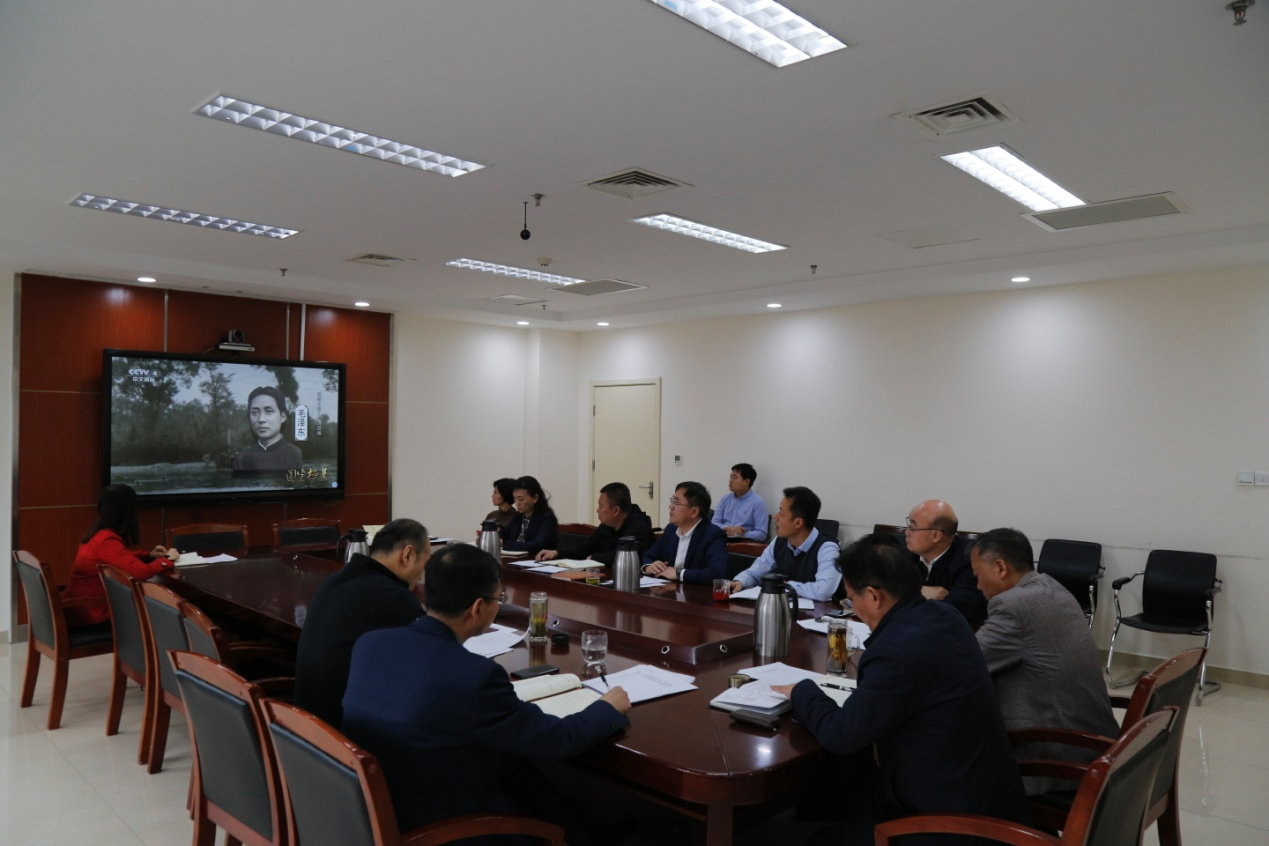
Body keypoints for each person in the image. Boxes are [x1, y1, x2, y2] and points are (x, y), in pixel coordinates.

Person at [341, 544, 632, 844]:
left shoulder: (370, 644)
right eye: (498, 598)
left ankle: (584, 832)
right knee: (513, 761)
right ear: (478, 608)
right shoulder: (475, 676)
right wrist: (607, 708)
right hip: (445, 827)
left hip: (382, 802)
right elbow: (558, 740)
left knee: (511, 762)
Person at [771, 535, 1030, 845]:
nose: (853, 607)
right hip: (987, 793)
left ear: (873, 596)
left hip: (953, 820)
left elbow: (842, 736)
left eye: (851, 599)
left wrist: (802, 691)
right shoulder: (945, 616)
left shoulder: (895, 650)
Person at [971, 528, 1120, 794]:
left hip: (1057, 758)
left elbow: (967, 664)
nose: (978, 585)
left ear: (1001, 568)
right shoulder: (1052, 586)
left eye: (977, 575)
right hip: (1094, 743)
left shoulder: (1012, 605)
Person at [292, 518, 428, 726]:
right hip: (341, 731)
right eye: (425, 563)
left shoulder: (334, 581)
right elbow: (426, 665)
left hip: (303, 723)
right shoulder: (393, 598)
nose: (421, 576)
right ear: (407, 555)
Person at [62, 484, 178, 627]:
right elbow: (141, 573)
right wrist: (166, 559)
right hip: (94, 615)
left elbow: (119, 557)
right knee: (164, 611)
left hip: (81, 610)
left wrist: (148, 555)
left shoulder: (97, 533)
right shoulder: (106, 540)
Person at [730, 486, 840, 600]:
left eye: (781, 514)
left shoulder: (827, 548)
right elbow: (755, 572)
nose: (775, 517)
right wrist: (740, 582)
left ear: (798, 523)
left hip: (818, 611)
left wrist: (787, 587)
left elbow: (824, 591)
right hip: (784, 607)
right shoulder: (779, 541)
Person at [903, 499, 986, 626]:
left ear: (936, 536)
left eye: (912, 528)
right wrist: (919, 590)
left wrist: (904, 596)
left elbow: (950, 613)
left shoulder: (970, 563)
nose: (906, 532)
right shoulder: (908, 553)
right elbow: (881, 590)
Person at [535, 482, 654, 564]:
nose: (597, 510)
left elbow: (626, 556)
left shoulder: (638, 526)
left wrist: (595, 558)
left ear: (616, 511)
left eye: (601, 506)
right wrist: (557, 553)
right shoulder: (607, 525)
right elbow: (586, 548)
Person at [642, 481, 728, 583]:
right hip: (668, 588)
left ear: (694, 512)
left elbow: (717, 573)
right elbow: (648, 556)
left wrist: (678, 574)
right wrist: (650, 566)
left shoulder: (713, 535)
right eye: (672, 501)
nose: (671, 506)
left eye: (677, 502)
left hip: (695, 592)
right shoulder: (671, 529)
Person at [230, 385, 303, 471]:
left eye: (268, 411)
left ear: (282, 417)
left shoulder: (294, 454)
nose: (261, 419)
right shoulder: (242, 458)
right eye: (255, 412)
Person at [500, 475, 559, 554]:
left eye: (521, 499)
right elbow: (504, 534)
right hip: (516, 557)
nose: (517, 503)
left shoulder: (547, 518)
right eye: (515, 498)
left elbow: (537, 545)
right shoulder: (518, 515)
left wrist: (504, 543)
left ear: (535, 498)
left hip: (535, 558)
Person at [711, 463, 768, 541]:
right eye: (730, 477)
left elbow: (761, 534)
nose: (730, 481)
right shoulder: (725, 499)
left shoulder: (758, 503)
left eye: (734, 477)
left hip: (743, 543)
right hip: (721, 539)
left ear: (747, 481)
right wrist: (728, 528)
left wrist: (738, 533)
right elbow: (713, 524)